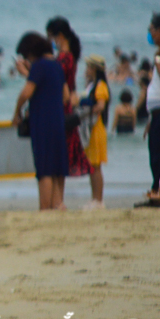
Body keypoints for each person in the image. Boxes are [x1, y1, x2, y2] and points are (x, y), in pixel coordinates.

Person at [12, 32, 68, 210]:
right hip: (58, 121)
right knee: (57, 167)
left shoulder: (39, 66)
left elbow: (26, 93)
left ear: (31, 52)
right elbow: (65, 96)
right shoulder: (56, 65)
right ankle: (58, 204)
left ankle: (45, 208)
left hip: (42, 121)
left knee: (44, 168)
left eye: (26, 55)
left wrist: (17, 112)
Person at [45, 17, 96, 199]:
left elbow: (58, 84)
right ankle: (58, 199)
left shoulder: (64, 59)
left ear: (59, 36)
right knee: (61, 156)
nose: (50, 42)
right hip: (66, 108)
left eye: (51, 37)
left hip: (60, 109)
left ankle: (57, 200)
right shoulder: (69, 57)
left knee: (57, 157)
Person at [80, 55, 109, 209]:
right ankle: (95, 198)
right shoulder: (91, 86)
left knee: (96, 165)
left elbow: (101, 105)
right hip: (90, 128)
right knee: (92, 164)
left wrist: (84, 113)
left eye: (89, 67)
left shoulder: (100, 85)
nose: (86, 70)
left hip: (96, 128)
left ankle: (98, 199)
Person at [144, 13, 160, 197]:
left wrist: (158, 62)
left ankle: (159, 189)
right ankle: (157, 187)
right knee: (156, 152)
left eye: (151, 30)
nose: (150, 34)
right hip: (158, 113)